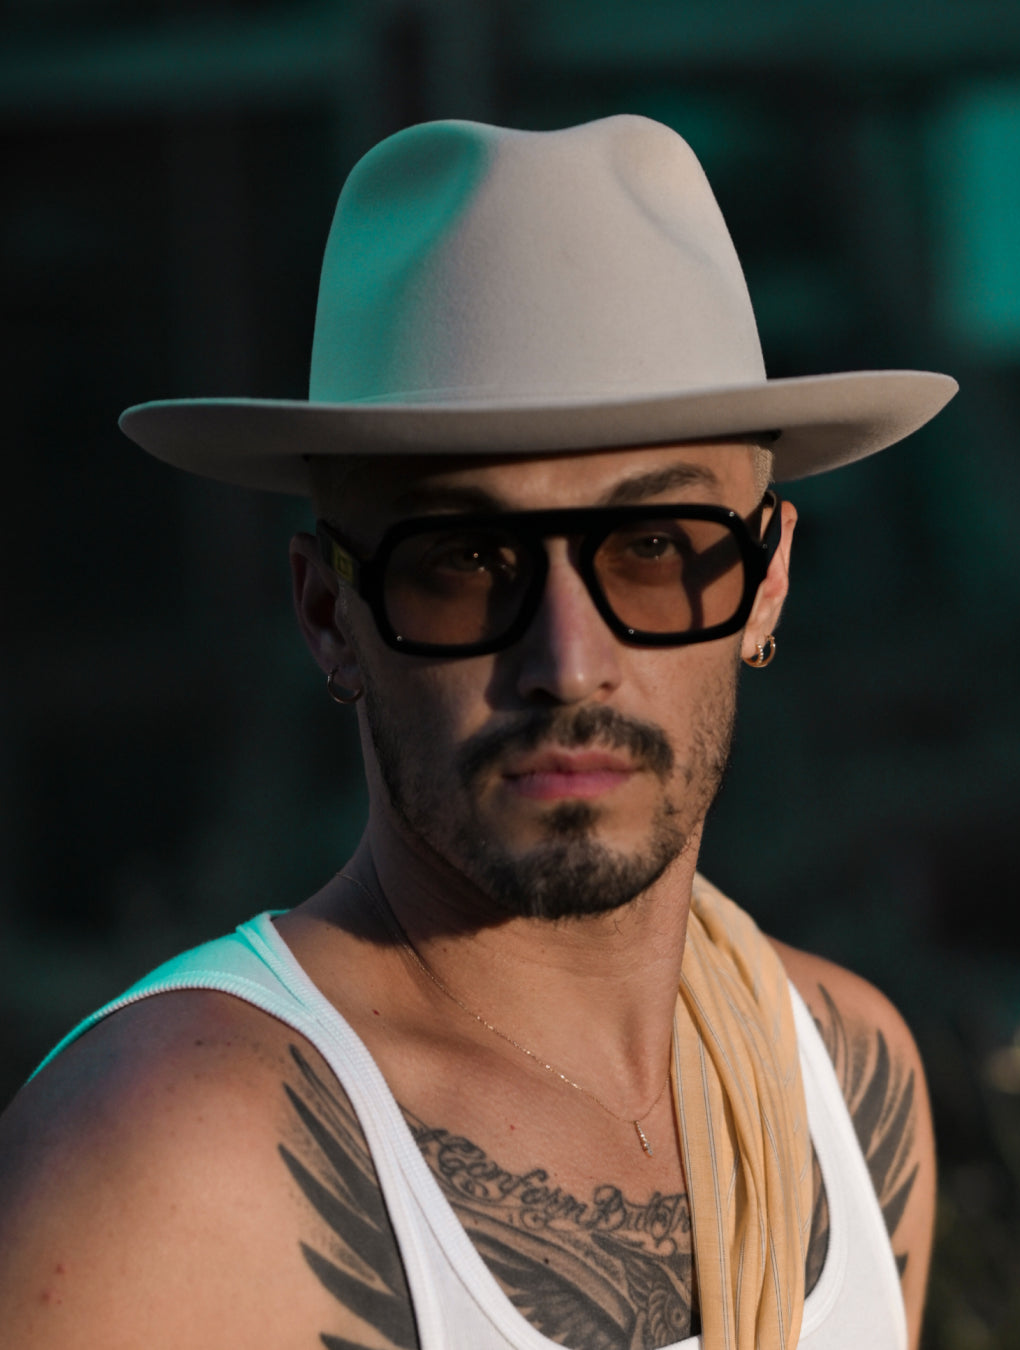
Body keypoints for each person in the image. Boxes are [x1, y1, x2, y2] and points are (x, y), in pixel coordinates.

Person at [0, 114, 956, 1350]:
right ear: (328, 613)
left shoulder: (847, 1080)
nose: (567, 664)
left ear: (765, 582)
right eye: (463, 561)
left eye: (656, 550)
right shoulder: (162, 1162)